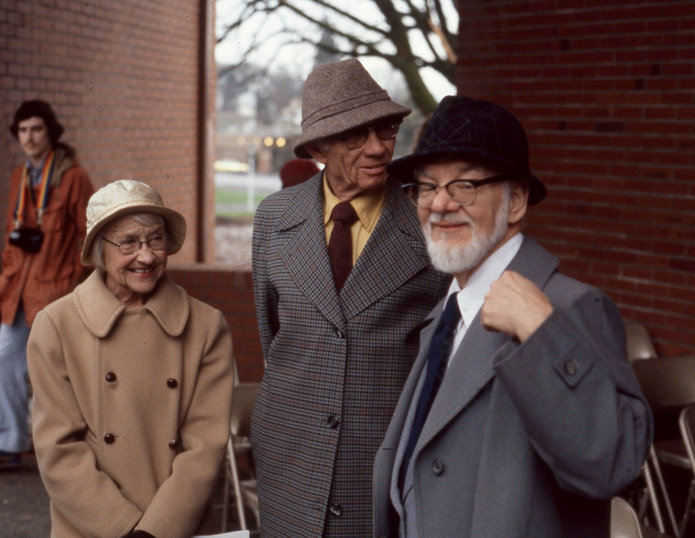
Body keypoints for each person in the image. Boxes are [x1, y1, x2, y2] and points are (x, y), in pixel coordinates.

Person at [373, 96, 653, 537]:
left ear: (517, 200)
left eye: (464, 185)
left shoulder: (569, 307)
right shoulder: (445, 312)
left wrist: (542, 333)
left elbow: (610, 466)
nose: (440, 203)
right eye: (426, 187)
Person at [251, 58, 449, 537]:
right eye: (356, 135)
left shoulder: (429, 223)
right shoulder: (273, 218)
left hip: (384, 469)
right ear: (318, 146)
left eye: (386, 129)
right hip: (289, 462)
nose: (379, 147)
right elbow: (272, 337)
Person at [26, 180, 235, 537]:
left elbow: (205, 447)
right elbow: (58, 451)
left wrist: (154, 531)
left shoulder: (206, 326)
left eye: (156, 239)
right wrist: (122, 528)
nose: (147, 256)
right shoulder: (56, 326)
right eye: (128, 242)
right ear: (99, 249)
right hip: (92, 526)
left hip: (178, 526)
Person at [0, 100, 94, 470]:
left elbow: (91, 233)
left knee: (60, 370)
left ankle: (72, 449)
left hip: (55, 291)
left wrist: (73, 277)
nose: (29, 137)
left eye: (36, 129)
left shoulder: (73, 177)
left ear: (50, 132)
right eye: (23, 130)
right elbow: (12, 235)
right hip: (19, 290)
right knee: (4, 363)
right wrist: (6, 274)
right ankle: (7, 444)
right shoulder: (19, 176)